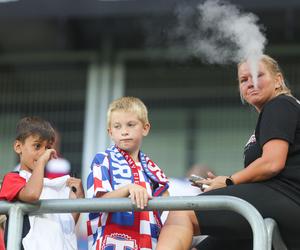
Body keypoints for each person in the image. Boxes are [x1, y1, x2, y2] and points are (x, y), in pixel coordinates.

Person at [156, 54, 300, 250]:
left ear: (278, 80)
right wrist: (222, 185)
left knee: (182, 211)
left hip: (287, 198)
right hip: (280, 207)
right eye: (244, 80)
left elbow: (272, 163)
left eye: (258, 76)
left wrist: (229, 181)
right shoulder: (279, 111)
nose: (250, 83)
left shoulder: (280, 104)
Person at [86, 96, 169, 250]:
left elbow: (165, 200)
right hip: (110, 243)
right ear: (110, 132)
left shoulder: (152, 168)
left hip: (148, 243)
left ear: (145, 128)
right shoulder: (102, 159)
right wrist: (128, 188)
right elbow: (97, 203)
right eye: (117, 126)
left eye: (131, 125)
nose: (124, 132)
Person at [0, 116, 85, 250]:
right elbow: (32, 195)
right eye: (37, 146)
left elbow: (66, 226)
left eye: (47, 148)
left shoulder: (50, 185)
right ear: (18, 147)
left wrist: (79, 199)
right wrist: (41, 162)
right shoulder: (13, 178)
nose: (43, 153)